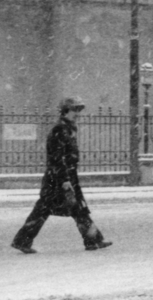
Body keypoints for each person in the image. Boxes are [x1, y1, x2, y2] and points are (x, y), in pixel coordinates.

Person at [10, 97, 112, 253]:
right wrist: (64, 179)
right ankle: (23, 241)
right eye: (74, 110)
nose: (77, 114)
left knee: (74, 208)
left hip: (64, 176)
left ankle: (93, 240)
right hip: (58, 179)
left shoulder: (67, 128)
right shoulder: (60, 130)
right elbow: (57, 157)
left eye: (78, 110)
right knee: (49, 209)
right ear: (65, 111)